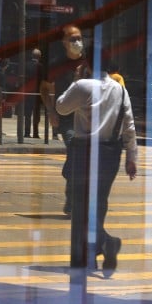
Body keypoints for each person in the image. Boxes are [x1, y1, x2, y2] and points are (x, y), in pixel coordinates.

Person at [56, 70, 137, 274]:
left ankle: (105, 242)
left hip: (85, 150)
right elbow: (129, 123)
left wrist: (75, 81)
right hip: (111, 151)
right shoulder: (120, 89)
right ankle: (91, 253)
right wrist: (131, 157)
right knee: (99, 203)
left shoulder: (83, 85)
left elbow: (61, 107)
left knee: (81, 205)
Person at [40, 24, 91, 215]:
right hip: (67, 119)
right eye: (72, 39)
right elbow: (44, 88)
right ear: (64, 42)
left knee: (80, 158)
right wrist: (51, 112)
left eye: (79, 38)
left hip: (89, 119)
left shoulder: (89, 63)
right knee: (74, 148)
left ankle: (72, 188)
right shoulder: (57, 65)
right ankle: (73, 198)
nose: (77, 42)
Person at [23, 48, 43, 138]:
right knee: (36, 114)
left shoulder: (26, 65)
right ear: (40, 57)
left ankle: (27, 132)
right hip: (37, 93)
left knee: (27, 114)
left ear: (32, 56)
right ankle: (36, 133)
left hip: (28, 92)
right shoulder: (40, 66)